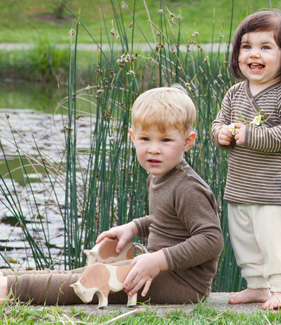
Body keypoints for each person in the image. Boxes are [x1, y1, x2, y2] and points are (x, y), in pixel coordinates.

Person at [0, 85, 224, 306]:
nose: (154, 149)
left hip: (183, 284)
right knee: (87, 272)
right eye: (145, 139)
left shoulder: (187, 187)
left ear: (187, 142)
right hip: (162, 271)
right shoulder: (160, 175)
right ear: (133, 137)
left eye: (165, 140)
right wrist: (135, 228)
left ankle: (9, 289)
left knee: (88, 283)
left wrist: (158, 260)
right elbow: (168, 221)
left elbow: (211, 240)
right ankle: (9, 277)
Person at [211, 10, 281, 310]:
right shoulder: (234, 92)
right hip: (239, 188)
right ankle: (256, 286)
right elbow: (217, 124)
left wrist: (250, 135)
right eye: (247, 46)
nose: (254, 54)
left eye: (266, 47)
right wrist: (221, 135)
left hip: (273, 192)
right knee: (246, 242)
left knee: (274, 241)